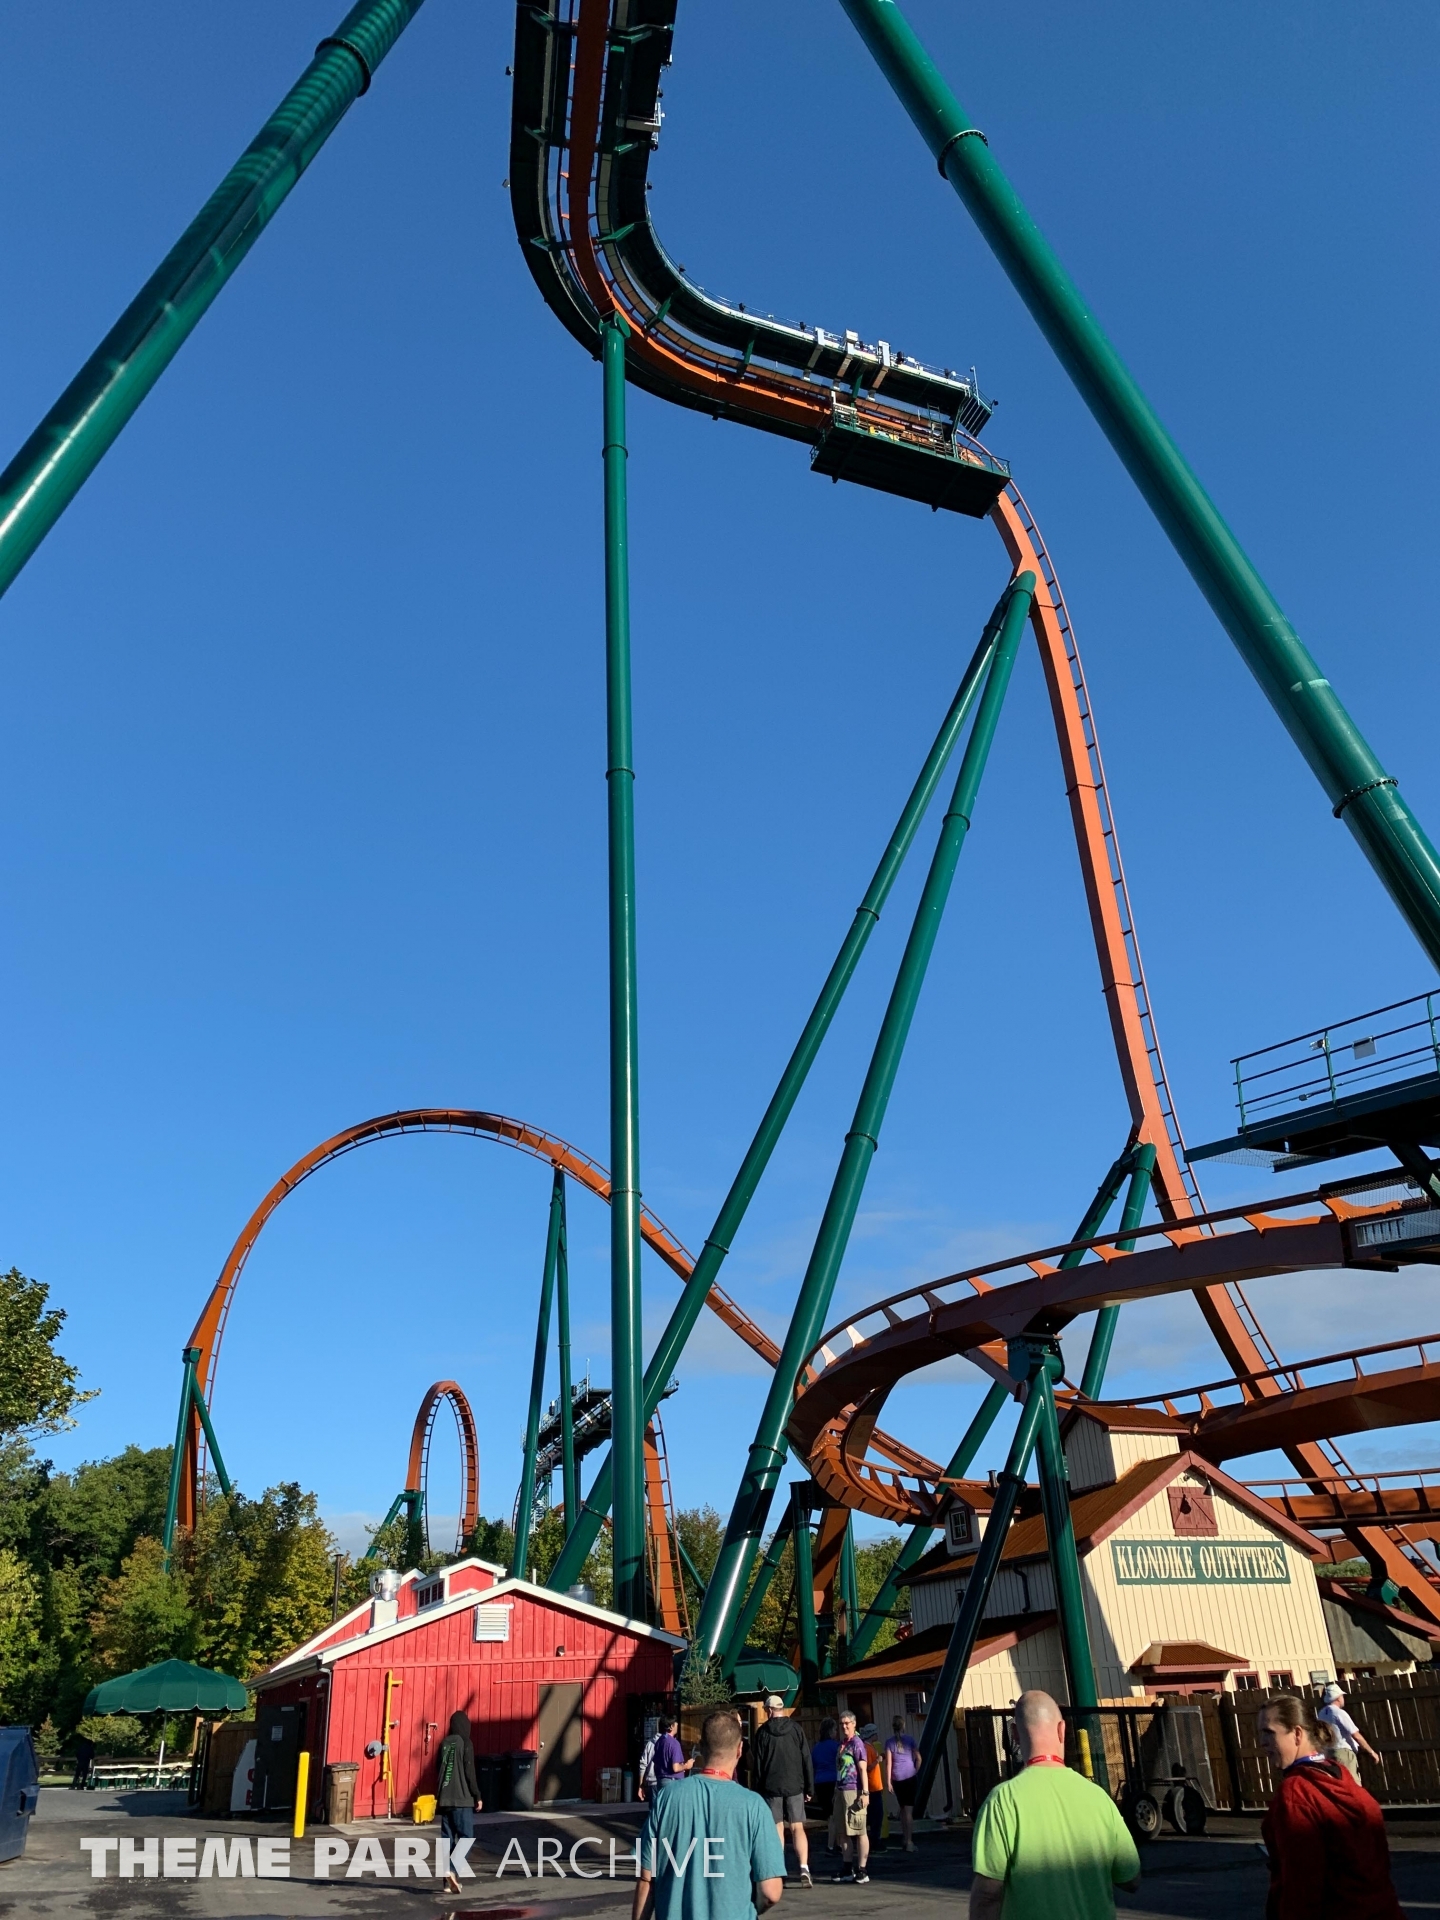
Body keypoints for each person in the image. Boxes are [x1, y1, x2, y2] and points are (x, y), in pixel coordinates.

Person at [970, 1691, 1140, 1920]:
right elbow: (1130, 1879)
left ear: (1015, 1734)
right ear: (1062, 1729)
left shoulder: (1003, 1801)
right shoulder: (1099, 1798)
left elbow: (987, 1895)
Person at [1257, 1694, 1402, 1920]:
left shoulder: (1296, 1794)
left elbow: (1302, 1883)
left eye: (1269, 1733)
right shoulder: (1345, 1781)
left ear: (1297, 1734)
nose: (1262, 1742)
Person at [634, 1708, 785, 1920]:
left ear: (702, 1747)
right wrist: (751, 1909)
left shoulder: (666, 1799)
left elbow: (646, 1878)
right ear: (740, 1749)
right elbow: (771, 1892)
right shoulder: (754, 1806)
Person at [750, 1694, 814, 1887]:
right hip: (795, 1784)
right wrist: (809, 1787)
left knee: (777, 1828)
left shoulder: (762, 1733)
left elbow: (757, 1765)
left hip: (771, 1787)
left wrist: (757, 1790)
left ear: (770, 1710)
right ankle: (804, 1867)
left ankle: (780, 1869)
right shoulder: (796, 1729)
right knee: (797, 1827)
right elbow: (806, 1758)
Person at [434, 1710, 483, 1895]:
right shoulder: (465, 1743)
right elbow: (470, 1772)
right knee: (466, 1837)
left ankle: (447, 1883)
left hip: (445, 1798)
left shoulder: (444, 1744)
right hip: (462, 1799)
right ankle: (452, 1869)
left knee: (447, 1840)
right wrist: (477, 1795)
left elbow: (437, 1768)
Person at [831, 1711, 871, 1885]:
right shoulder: (842, 1744)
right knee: (843, 1832)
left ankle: (862, 1869)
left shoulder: (857, 1744)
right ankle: (847, 1868)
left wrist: (865, 1793)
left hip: (854, 1790)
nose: (844, 1726)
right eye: (841, 1724)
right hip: (840, 1790)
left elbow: (862, 1769)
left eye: (847, 1723)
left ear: (854, 1724)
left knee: (859, 1830)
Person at [1317, 1682, 1382, 1781]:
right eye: (1342, 1696)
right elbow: (1356, 1735)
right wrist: (1371, 1752)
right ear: (1338, 1698)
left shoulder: (1322, 1713)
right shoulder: (1339, 1713)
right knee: (1352, 1783)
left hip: (1329, 1752)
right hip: (1343, 1752)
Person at [884, 1716, 921, 1853]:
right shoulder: (910, 1740)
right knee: (909, 1811)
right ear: (903, 1726)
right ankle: (909, 1841)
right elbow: (919, 1758)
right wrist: (915, 1770)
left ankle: (905, 1838)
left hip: (897, 1778)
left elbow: (889, 1763)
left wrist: (888, 1781)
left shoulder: (889, 1742)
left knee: (902, 1809)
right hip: (909, 1777)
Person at [860, 1725, 886, 1856]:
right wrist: (878, 1760)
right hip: (872, 1787)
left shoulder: (869, 1746)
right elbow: (868, 1767)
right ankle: (875, 1842)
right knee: (876, 1816)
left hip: (874, 1786)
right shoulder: (867, 1748)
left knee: (874, 1816)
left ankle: (873, 1841)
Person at [810, 1719, 838, 1834]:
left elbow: (813, 1765)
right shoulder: (836, 1746)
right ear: (830, 1731)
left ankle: (831, 1840)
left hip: (820, 1783)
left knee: (829, 1815)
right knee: (837, 1814)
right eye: (835, 1730)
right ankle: (839, 1840)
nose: (836, 1732)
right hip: (833, 1782)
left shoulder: (816, 1748)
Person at [653, 1716, 690, 1790]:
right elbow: (675, 1768)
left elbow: (655, 1764)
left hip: (661, 1780)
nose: (677, 1726)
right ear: (671, 1726)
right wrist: (687, 1766)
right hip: (673, 1782)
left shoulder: (659, 1742)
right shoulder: (674, 1743)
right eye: (676, 1724)